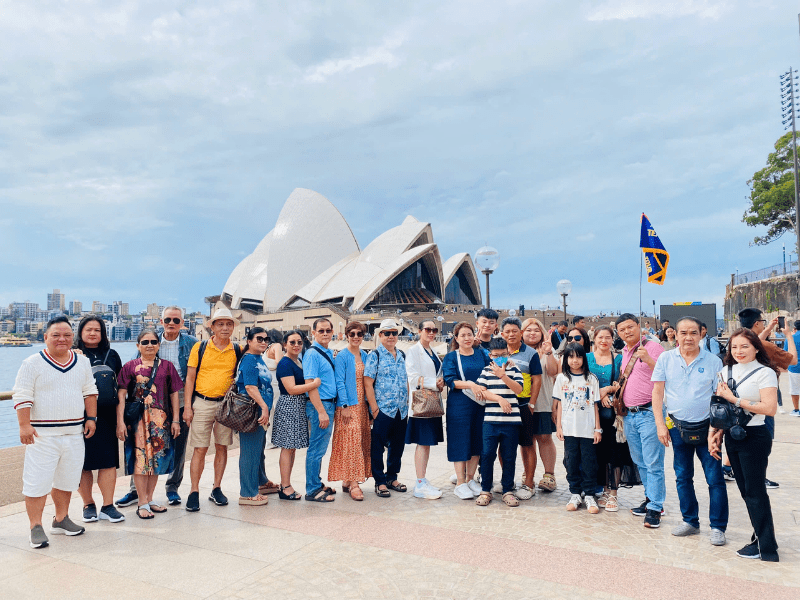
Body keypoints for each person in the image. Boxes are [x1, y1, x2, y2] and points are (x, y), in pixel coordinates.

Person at [13, 316, 98, 548]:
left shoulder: (81, 362)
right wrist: (24, 425)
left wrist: (91, 418)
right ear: (45, 337)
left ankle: (61, 519)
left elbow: (90, 391)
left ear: (73, 337)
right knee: (37, 482)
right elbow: (22, 395)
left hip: (74, 433)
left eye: (67, 335)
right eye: (56, 335)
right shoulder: (32, 363)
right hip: (42, 435)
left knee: (67, 479)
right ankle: (35, 526)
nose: (62, 339)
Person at [651, 317, 727, 546]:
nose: (688, 337)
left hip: (708, 429)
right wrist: (660, 425)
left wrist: (717, 431)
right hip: (677, 428)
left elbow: (720, 398)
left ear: (701, 334)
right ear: (675, 334)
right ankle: (690, 521)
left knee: (714, 479)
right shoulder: (665, 359)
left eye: (693, 332)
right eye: (683, 333)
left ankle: (718, 527)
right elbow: (657, 393)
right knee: (683, 477)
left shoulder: (714, 362)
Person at [117, 306, 198, 509]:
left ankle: (172, 488)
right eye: (168, 319)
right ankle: (135, 492)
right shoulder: (150, 340)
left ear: (182, 323)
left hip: (179, 397)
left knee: (177, 446)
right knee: (140, 448)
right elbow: (134, 373)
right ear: (162, 321)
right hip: (147, 402)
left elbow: (196, 371)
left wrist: (187, 407)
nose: (171, 323)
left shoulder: (191, 343)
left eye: (176, 320)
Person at [710, 328, 779, 561]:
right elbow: (721, 407)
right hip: (732, 435)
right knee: (745, 491)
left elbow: (770, 408)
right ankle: (760, 536)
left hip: (755, 436)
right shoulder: (725, 371)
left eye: (745, 346)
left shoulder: (765, 373)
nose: (738, 351)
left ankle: (767, 548)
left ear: (756, 348)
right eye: (734, 347)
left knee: (755, 492)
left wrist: (735, 399)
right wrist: (716, 433)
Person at [117, 329, 182, 519]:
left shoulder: (167, 366)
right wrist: (120, 422)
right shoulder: (129, 366)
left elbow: (174, 394)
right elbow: (121, 395)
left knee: (157, 460)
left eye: (153, 342)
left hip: (161, 421)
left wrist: (176, 420)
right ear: (138, 346)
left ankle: (150, 498)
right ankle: (141, 502)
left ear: (158, 345)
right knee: (140, 461)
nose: (150, 345)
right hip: (137, 422)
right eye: (145, 342)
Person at [183, 307, 243, 512]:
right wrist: (188, 407)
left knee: (222, 446)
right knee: (199, 448)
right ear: (213, 327)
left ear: (233, 327)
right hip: (202, 402)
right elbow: (190, 378)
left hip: (226, 405)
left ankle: (216, 488)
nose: (225, 328)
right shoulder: (200, 347)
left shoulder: (237, 349)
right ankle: (194, 490)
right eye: (221, 324)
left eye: (229, 324)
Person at [616, 313, 666, 528]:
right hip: (630, 415)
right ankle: (650, 498)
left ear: (639, 326)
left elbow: (666, 375)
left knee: (653, 462)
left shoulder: (653, 347)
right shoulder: (625, 352)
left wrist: (649, 361)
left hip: (649, 413)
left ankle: (656, 507)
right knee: (641, 461)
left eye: (630, 327)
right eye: (622, 329)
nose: (627, 332)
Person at [737, 307, 796, 488]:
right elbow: (793, 360)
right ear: (756, 323)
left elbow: (757, 341)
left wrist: (768, 328)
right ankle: (758, 477)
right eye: (762, 322)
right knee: (763, 441)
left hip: (740, 398)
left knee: (741, 437)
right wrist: (788, 335)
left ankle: (730, 469)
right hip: (763, 399)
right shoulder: (766, 346)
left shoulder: (737, 342)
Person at [74, 316, 125, 524]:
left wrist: (121, 420)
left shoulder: (112, 355)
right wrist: (73, 357)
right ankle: (88, 504)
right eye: (88, 329)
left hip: (107, 416)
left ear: (103, 333)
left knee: (108, 463)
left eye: (97, 330)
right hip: (80, 416)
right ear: (81, 332)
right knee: (83, 463)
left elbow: (121, 387)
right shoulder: (72, 354)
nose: (93, 333)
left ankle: (108, 505)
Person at [588, 325, 639, 512]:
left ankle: (613, 493)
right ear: (594, 339)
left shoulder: (618, 359)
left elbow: (624, 383)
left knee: (614, 452)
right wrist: (599, 395)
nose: (604, 341)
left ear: (612, 339)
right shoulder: (586, 358)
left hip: (613, 413)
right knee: (598, 453)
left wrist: (608, 390)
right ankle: (603, 489)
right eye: (600, 337)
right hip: (591, 414)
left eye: (607, 337)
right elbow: (582, 381)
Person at [475, 338, 524, 507]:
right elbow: (481, 391)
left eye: (503, 354)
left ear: (508, 353)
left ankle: (507, 490)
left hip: (511, 422)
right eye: (496, 355)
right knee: (487, 455)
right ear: (490, 355)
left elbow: (519, 389)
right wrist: (499, 399)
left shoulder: (515, 369)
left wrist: (503, 375)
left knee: (509, 456)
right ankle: (485, 490)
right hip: (490, 421)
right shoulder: (486, 370)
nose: (499, 358)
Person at [443, 322, 490, 499]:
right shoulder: (451, 357)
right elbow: (450, 380)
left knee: (477, 441)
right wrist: (471, 384)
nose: (467, 338)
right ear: (456, 338)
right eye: (462, 335)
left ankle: (470, 479)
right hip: (459, 404)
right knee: (459, 440)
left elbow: (491, 369)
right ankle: (460, 482)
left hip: (480, 403)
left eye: (469, 334)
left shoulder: (481, 354)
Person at [554, 343, 602, 514]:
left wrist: (597, 429)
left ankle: (589, 494)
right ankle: (575, 493)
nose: (575, 360)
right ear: (565, 359)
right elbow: (559, 404)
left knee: (589, 462)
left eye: (579, 356)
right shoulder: (561, 378)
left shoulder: (591, 379)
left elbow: (595, 406)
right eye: (571, 356)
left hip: (588, 429)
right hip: (569, 429)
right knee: (571, 461)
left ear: (584, 358)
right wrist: (559, 426)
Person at [365, 319, 410, 498]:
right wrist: (374, 409)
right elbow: (368, 383)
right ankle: (380, 481)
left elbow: (405, 379)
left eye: (394, 333)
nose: (391, 336)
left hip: (401, 409)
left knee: (397, 446)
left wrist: (407, 402)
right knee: (377, 447)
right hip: (383, 409)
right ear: (380, 335)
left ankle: (392, 477)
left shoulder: (402, 355)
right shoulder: (374, 355)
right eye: (387, 333)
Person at [271, 331, 318, 500]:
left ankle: (287, 484)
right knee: (287, 447)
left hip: (297, 405)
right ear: (285, 344)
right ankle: (285, 486)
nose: (296, 345)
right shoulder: (285, 363)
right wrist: (314, 384)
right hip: (289, 405)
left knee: (292, 448)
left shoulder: (298, 361)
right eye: (292, 342)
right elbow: (291, 389)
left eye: (299, 342)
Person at [500, 316, 542, 500]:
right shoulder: (497, 351)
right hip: (503, 405)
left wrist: (532, 403)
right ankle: (507, 482)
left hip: (523, 405)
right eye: (507, 332)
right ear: (502, 334)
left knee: (527, 444)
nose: (511, 334)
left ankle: (529, 484)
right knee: (503, 445)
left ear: (521, 333)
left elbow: (537, 379)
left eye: (514, 331)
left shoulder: (530, 353)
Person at [329, 322, 371, 501]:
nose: (356, 337)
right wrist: (344, 406)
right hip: (348, 406)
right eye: (352, 334)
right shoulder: (342, 356)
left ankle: (347, 480)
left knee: (358, 442)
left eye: (359, 334)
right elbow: (339, 381)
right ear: (346, 335)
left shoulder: (365, 355)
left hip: (362, 405)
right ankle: (354, 483)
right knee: (351, 443)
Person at [405, 320, 445, 500]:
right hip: (421, 403)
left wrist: (440, 381)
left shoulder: (432, 351)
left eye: (434, 330)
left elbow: (436, 373)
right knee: (422, 442)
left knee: (427, 443)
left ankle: (422, 479)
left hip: (432, 402)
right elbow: (412, 377)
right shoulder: (413, 351)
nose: (431, 332)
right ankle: (420, 483)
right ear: (419, 331)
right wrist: (434, 383)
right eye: (427, 329)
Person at [235, 328, 274, 506]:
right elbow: (250, 387)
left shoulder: (258, 358)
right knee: (250, 452)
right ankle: (247, 493)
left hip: (259, 410)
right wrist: (264, 407)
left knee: (258, 450)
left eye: (266, 339)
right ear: (249, 341)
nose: (264, 342)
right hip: (252, 411)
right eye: (259, 339)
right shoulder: (250, 359)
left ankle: (260, 482)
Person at [520, 318, 559, 492]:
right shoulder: (517, 350)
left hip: (543, 400)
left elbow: (553, 372)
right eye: (528, 330)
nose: (532, 333)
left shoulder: (548, 349)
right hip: (523, 402)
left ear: (542, 332)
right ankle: (528, 473)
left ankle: (549, 475)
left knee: (544, 437)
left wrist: (549, 352)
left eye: (536, 330)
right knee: (526, 440)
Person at [303, 318, 338, 502]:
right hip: (320, 405)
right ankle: (312, 489)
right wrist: (321, 411)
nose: (325, 333)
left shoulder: (326, 351)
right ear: (314, 333)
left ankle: (316, 482)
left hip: (328, 404)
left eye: (328, 330)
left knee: (320, 448)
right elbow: (310, 385)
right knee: (316, 449)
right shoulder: (312, 354)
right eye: (321, 331)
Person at [787, 320, 800, 416]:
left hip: (794, 367)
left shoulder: (790, 338)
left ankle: (796, 410)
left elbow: (785, 353)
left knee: (794, 389)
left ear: (795, 328)